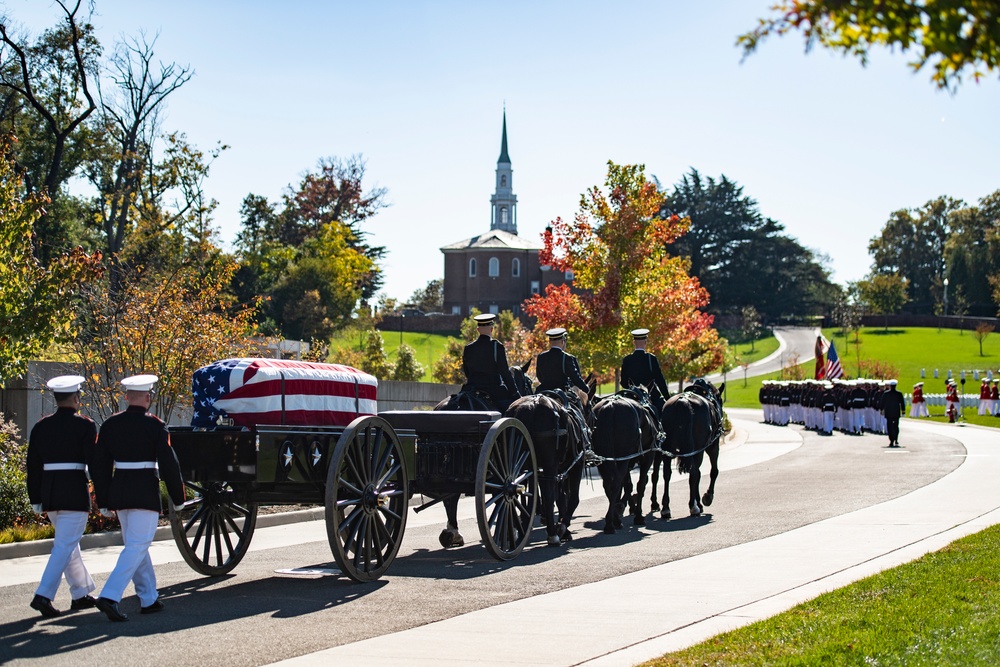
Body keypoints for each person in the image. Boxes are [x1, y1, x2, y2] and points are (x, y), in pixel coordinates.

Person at [91, 374, 185, 622]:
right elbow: (169, 464)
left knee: (136, 545)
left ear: (126, 397)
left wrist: (104, 498)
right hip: (144, 490)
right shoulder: (155, 425)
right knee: (137, 546)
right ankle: (110, 596)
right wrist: (178, 496)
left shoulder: (111, 425)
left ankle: (148, 598)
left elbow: (99, 464)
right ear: (147, 397)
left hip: (120, 490)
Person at [26, 375, 99, 618]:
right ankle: (43, 595)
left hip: (50, 492)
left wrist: (35, 497)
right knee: (65, 545)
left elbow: (33, 466)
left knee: (69, 545)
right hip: (73, 491)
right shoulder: (86, 425)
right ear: (77, 398)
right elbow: (94, 463)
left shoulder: (41, 426)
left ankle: (80, 594)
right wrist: (105, 493)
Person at [461, 313, 522, 412]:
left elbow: (467, 372)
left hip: (471, 389)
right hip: (494, 392)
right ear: (492, 329)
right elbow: (505, 374)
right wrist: (516, 395)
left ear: (478, 330)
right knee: (515, 413)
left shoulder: (468, 348)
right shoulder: (496, 346)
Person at [620, 328, 671, 416]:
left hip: (633, 396)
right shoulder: (651, 358)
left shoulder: (627, 360)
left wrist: (633, 388)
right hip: (652, 396)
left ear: (634, 342)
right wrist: (667, 397)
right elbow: (660, 380)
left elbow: (623, 383)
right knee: (666, 415)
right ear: (645, 342)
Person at [536, 328, 590, 395]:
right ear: (563, 341)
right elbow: (575, 378)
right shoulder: (567, 358)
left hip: (542, 391)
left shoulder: (541, 356)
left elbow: (539, 376)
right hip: (561, 392)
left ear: (549, 342)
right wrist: (586, 389)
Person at [880, 379, 905, 447]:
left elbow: (882, 403)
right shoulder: (899, 394)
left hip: (889, 412)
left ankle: (891, 440)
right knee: (896, 426)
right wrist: (903, 411)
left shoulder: (886, 394)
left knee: (890, 426)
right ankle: (896, 439)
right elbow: (902, 403)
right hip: (896, 412)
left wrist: (881, 410)